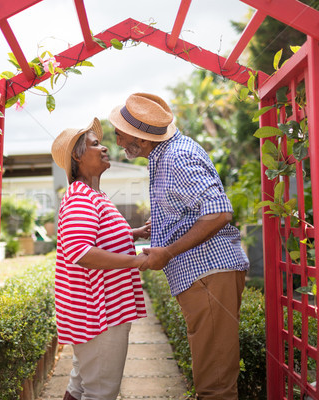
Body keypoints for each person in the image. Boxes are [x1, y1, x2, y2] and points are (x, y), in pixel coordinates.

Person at [109, 93, 250, 400]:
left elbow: (219, 211)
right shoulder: (165, 155)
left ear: (142, 140)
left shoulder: (176, 158)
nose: (117, 141)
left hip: (209, 274)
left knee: (215, 386)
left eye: (119, 134)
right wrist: (157, 230)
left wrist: (168, 252)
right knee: (212, 375)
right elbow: (189, 211)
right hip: (204, 276)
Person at [50, 117, 149, 400]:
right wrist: (136, 261)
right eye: (95, 145)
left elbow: (96, 237)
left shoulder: (95, 194)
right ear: (77, 156)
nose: (104, 148)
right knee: (101, 392)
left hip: (95, 313)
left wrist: (134, 233)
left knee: (79, 385)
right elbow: (81, 251)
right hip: (99, 315)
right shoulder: (82, 197)